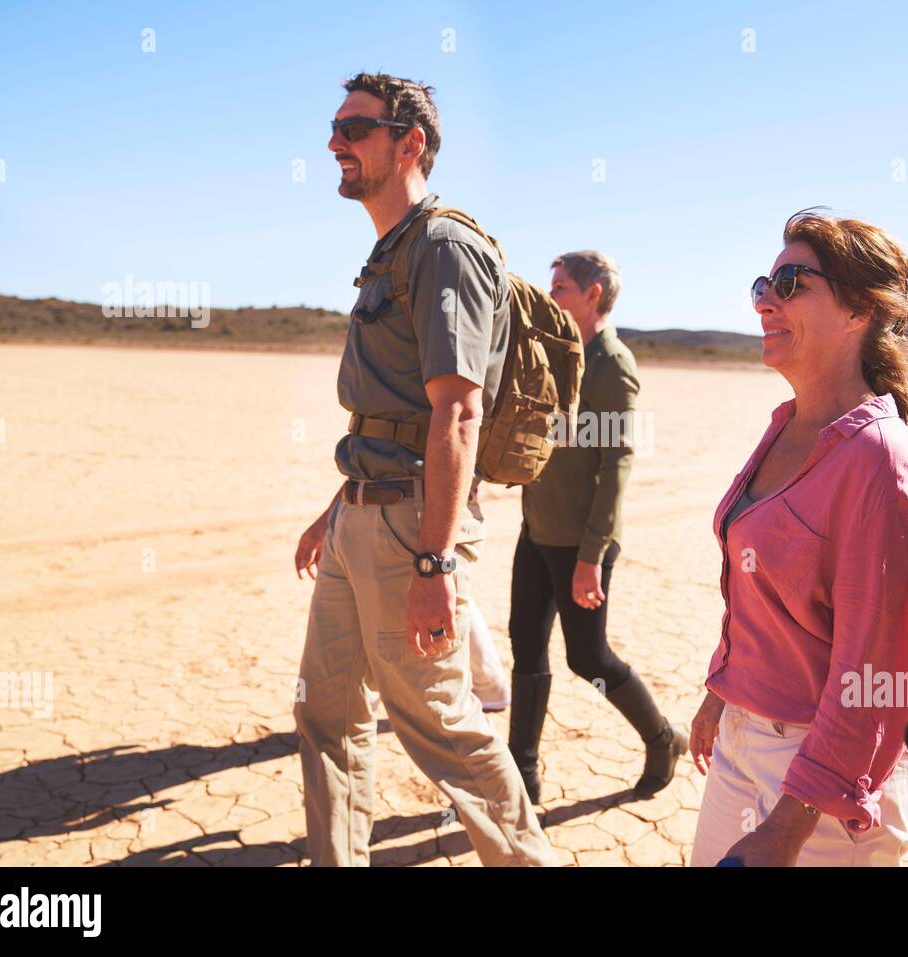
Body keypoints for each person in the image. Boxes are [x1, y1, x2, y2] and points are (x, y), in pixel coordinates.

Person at [292, 72, 554, 867]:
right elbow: (390, 407)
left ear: (411, 144)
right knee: (327, 712)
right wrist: (337, 505)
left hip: (411, 522)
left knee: (441, 725)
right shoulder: (390, 251)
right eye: (334, 126)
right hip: (361, 510)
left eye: (355, 129)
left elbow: (457, 412)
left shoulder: (444, 246)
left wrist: (434, 560)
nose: (335, 142)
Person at [688, 210, 908, 867]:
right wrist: (722, 691)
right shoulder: (786, 426)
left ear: (859, 309)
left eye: (792, 282)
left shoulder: (879, 459)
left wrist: (788, 827)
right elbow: (758, 587)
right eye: (763, 286)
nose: (766, 301)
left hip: (818, 779)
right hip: (743, 742)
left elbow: (875, 672)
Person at [507, 250, 687, 803]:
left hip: (581, 542)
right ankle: (523, 773)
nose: (551, 293)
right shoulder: (557, 352)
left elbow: (618, 465)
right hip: (537, 527)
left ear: (593, 295)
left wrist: (591, 555)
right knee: (525, 643)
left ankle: (661, 740)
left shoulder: (612, 364)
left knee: (588, 659)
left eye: (560, 287)